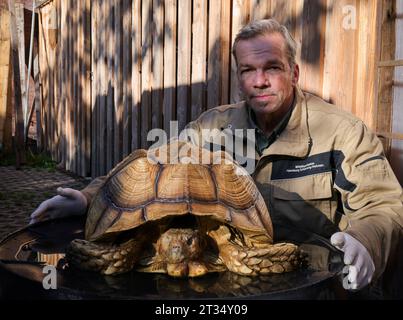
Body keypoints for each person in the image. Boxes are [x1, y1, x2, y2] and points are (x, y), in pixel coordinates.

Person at [30, 19, 403, 293]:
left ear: (294, 71)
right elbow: (148, 164)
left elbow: (384, 204)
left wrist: (366, 240)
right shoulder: (212, 129)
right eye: (248, 70)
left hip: (311, 284)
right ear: (239, 77)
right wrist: (87, 198)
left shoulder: (341, 132)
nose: (260, 80)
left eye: (271, 67)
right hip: (224, 282)